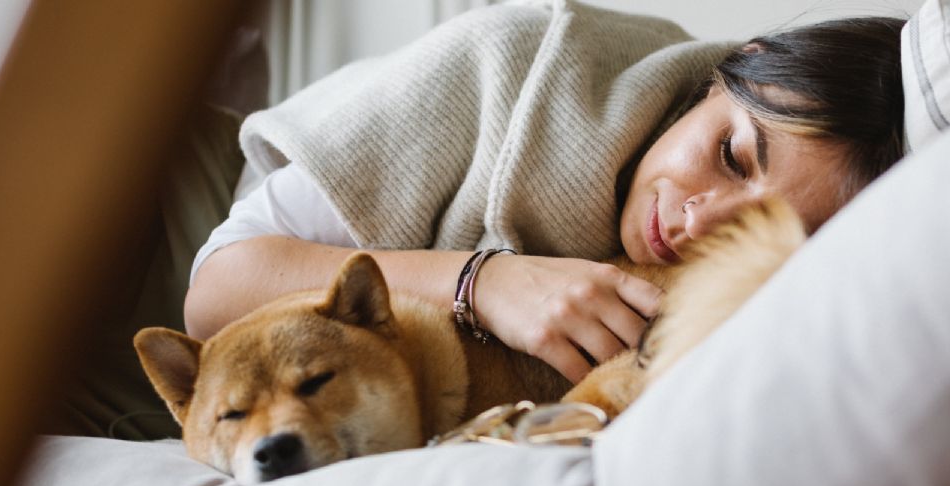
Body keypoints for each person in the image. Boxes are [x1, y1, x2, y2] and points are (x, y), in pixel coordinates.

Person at [185, 2, 905, 385]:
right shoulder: (514, 58)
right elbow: (216, 293)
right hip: (155, 240)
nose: (698, 224)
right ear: (736, 67)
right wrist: (484, 280)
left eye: (761, 229)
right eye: (731, 155)